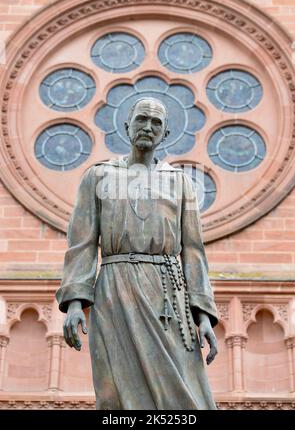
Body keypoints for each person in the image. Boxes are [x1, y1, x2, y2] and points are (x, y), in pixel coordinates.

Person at [56, 97, 218, 410]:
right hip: (115, 290)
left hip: (169, 295)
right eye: (141, 119)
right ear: (127, 126)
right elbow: (83, 243)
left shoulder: (180, 182)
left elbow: (194, 251)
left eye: (156, 123)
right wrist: (75, 301)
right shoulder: (97, 177)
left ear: (166, 134)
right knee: (117, 388)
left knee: (186, 393)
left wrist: (204, 315)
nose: (148, 127)